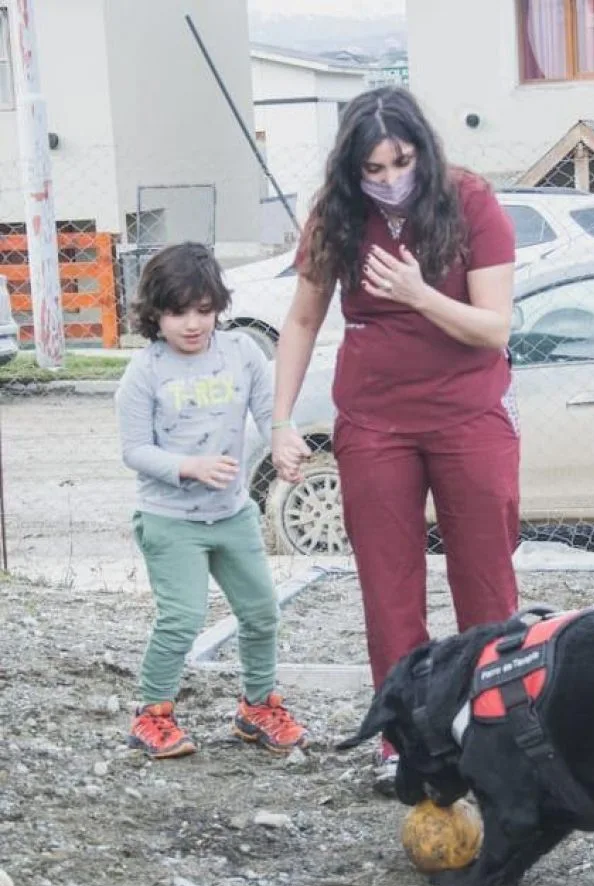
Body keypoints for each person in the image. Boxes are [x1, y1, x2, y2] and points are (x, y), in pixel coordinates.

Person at [270, 88, 520, 777]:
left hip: (469, 414)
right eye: (371, 169)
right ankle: (402, 735)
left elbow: (494, 328)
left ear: (423, 151)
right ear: (350, 169)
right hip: (375, 420)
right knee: (388, 586)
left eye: (399, 162)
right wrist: (282, 420)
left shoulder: (471, 203)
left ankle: (489, 726)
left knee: (486, 581)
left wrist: (418, 293)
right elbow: (301, 320)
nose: (386, 180)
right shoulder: (337, 216)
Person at [116, 242, 310, 758]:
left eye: (203, 310)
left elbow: (272, 412)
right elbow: (134, 450)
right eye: (177, 312)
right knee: (181, 618)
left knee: (261, 611)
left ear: (218, 306)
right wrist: (189, 467)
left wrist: (283, 443)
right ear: (154, 313)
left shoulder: (242, 353)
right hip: (170, 520)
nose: (192, 323)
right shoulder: (145, 371)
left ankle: (256, 707)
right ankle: (152, 714)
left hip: (232, 515)